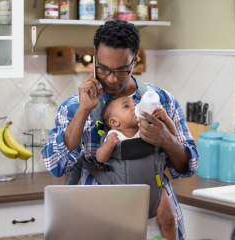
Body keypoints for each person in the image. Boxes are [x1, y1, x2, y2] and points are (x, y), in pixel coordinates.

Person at [42, 19, 199, 240]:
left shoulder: (161, 100)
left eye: (122, 71)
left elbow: (188, 167)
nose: (111, 79)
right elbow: (55, 165)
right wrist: (83, 111)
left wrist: (167, 140)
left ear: (135, 59)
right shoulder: (74, 106)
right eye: (103, 69)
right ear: (95, 55)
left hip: (156, 218)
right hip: (97, 219)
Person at [96, 96, 177, 240]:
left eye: (135, 103)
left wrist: (165, 119)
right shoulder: (114, 136)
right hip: (126, 195)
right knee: (125, 229)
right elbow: (100, 158)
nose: (134, 106)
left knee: (169, 219)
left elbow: (172, 135)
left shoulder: (147, 129)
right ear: (114, 122)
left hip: (156, 189)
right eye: (127, 106)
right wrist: (108, 145)